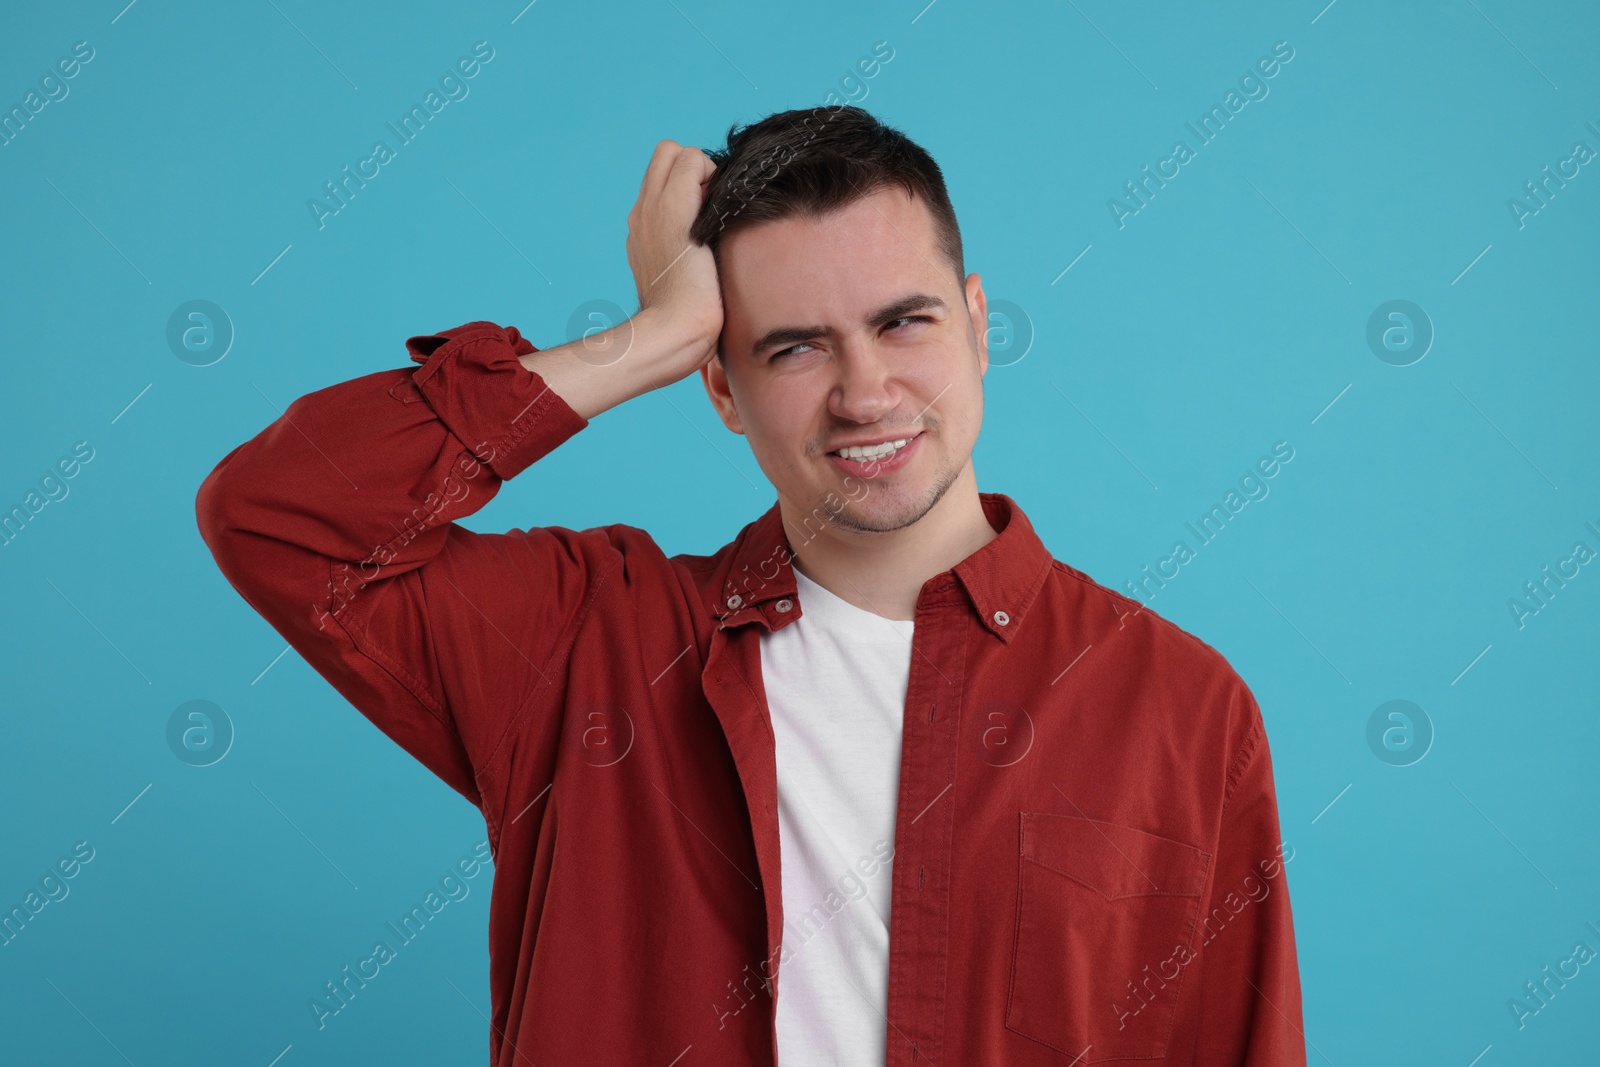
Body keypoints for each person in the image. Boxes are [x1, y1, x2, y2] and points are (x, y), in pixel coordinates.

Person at [196, 104, 1306, 1066]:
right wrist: (646, 338)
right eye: (793, 349)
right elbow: (279, 514)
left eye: (901, 321)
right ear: (720, 388)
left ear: (975, 322)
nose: (865, 393)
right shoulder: (585, 641)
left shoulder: (1183, 707)